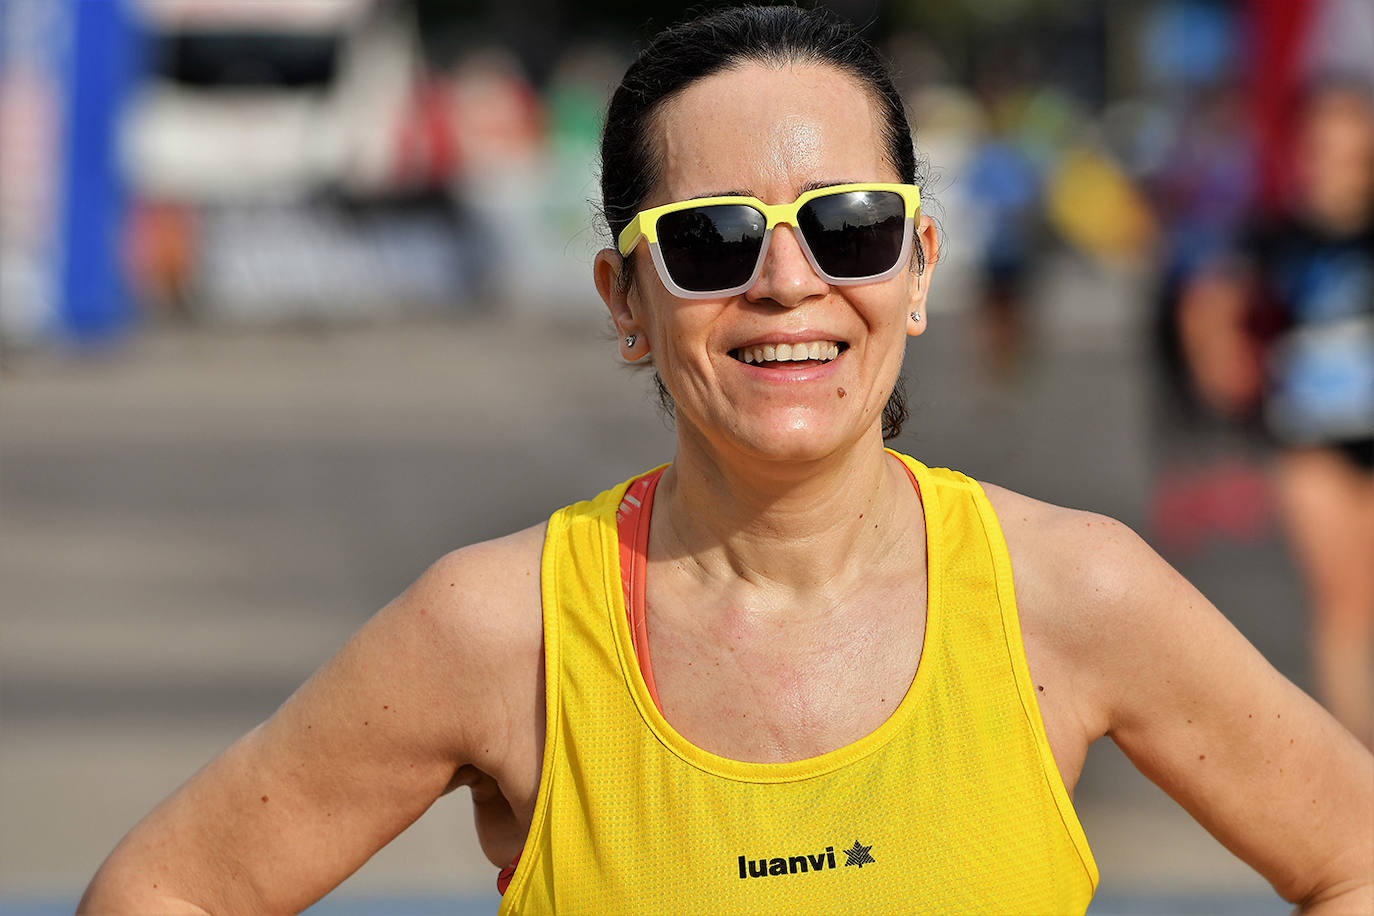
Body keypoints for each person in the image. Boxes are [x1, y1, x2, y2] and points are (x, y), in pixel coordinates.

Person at [81, 7, 1372, 914]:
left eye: (849, 228)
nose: (787, 284)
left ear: (918, 270)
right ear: (624, 298)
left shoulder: (1075, 594)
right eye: (708, 241)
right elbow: (167, 889)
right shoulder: (500, 631)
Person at [1178, 76, 1374, 747]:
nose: (1338, 157)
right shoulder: (1276, 236)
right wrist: (1220, 358)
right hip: (1311, 439)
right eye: (1323, 141)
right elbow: (1208, 300)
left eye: (1352, 138)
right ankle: (1362, 768)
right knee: (1345, 605)